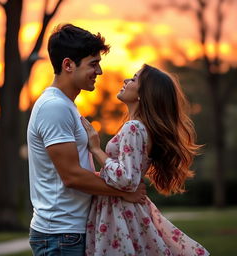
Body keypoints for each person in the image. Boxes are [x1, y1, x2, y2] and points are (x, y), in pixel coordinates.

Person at [27, 24, 146, 256]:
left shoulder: (66, 105)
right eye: (93, 64)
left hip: (69, 232)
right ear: (68, 65)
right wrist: (123, 191)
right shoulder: (55, 107)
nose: (99, 72)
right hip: (61, 236)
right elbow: (71, 176)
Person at [81, 64, 210, 256]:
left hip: (119, 213)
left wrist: (96, 149)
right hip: (122, 208)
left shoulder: (134, 127)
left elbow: (127, 180)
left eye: (133, 79)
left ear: (144, 94)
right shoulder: (139, 127)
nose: (126, 81)